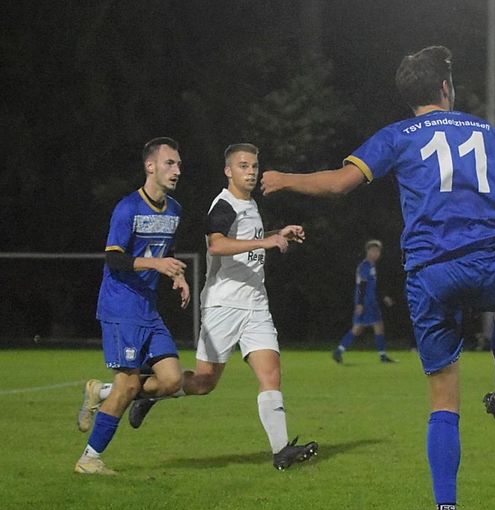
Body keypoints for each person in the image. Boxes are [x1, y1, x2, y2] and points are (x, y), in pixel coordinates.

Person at [261, 45, 495, 510]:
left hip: (430, 275)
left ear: (409, 97)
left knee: (444, 400)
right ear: (446, 89)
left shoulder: (397, 136)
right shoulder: (485, 131)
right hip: (488, 263)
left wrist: (284, 179)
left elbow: (339, 185)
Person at [124, 143, 319, 470]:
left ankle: (281, 451)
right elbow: (216, 245)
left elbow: (247, 239)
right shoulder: (223, 205)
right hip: (224, 305)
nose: (252, 172)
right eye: (244, 166)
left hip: (255, 303)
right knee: (203, 383)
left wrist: (276, 232)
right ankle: (146, 393)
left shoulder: (251, 204)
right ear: (229, 171)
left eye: (255, 166)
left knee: (271, 373)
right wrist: (265, 241)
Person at [74, 137, 190, 475]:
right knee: (129, 385)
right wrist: (156, 266)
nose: (177, 170)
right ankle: (89, 458)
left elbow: (162, 253)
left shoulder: (175, 211)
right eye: (170, 163)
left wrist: (176, 276)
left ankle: (101, 391)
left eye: (179, 164)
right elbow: (114, 259)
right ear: (150, 166)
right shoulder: (128, 208)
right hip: (121, 307)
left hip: (148, 309)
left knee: (170, 380)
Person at [332, 239, 396, 364]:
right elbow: (362, 285)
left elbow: (373, 286)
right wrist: (360, 303)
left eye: (378, 251)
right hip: (366, 302)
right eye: (373, 251)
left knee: (375, 326)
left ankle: (382, 356)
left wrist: (383, 297)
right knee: (360, 328)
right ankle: (339, 351)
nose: (376, 253)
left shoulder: (371, 266)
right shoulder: (365, 265)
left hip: (371, 302)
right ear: (368, 251)